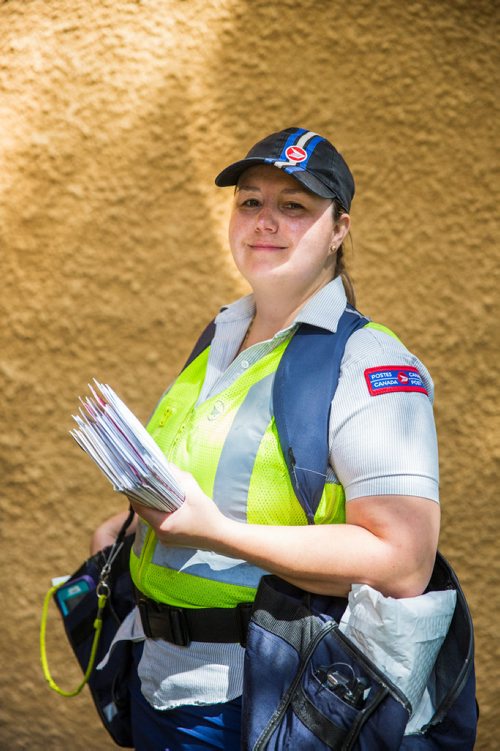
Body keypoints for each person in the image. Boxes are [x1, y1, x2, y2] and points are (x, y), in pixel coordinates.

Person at [92, 127, 440, 751]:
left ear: (339, 229)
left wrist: (216, 533)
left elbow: (404, 563)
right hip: (158, 681)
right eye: (250, 202)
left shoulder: (369, 364)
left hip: (262, 704)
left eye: (295, 207)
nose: (265, 221)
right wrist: (127, 534)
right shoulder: (220, 335)